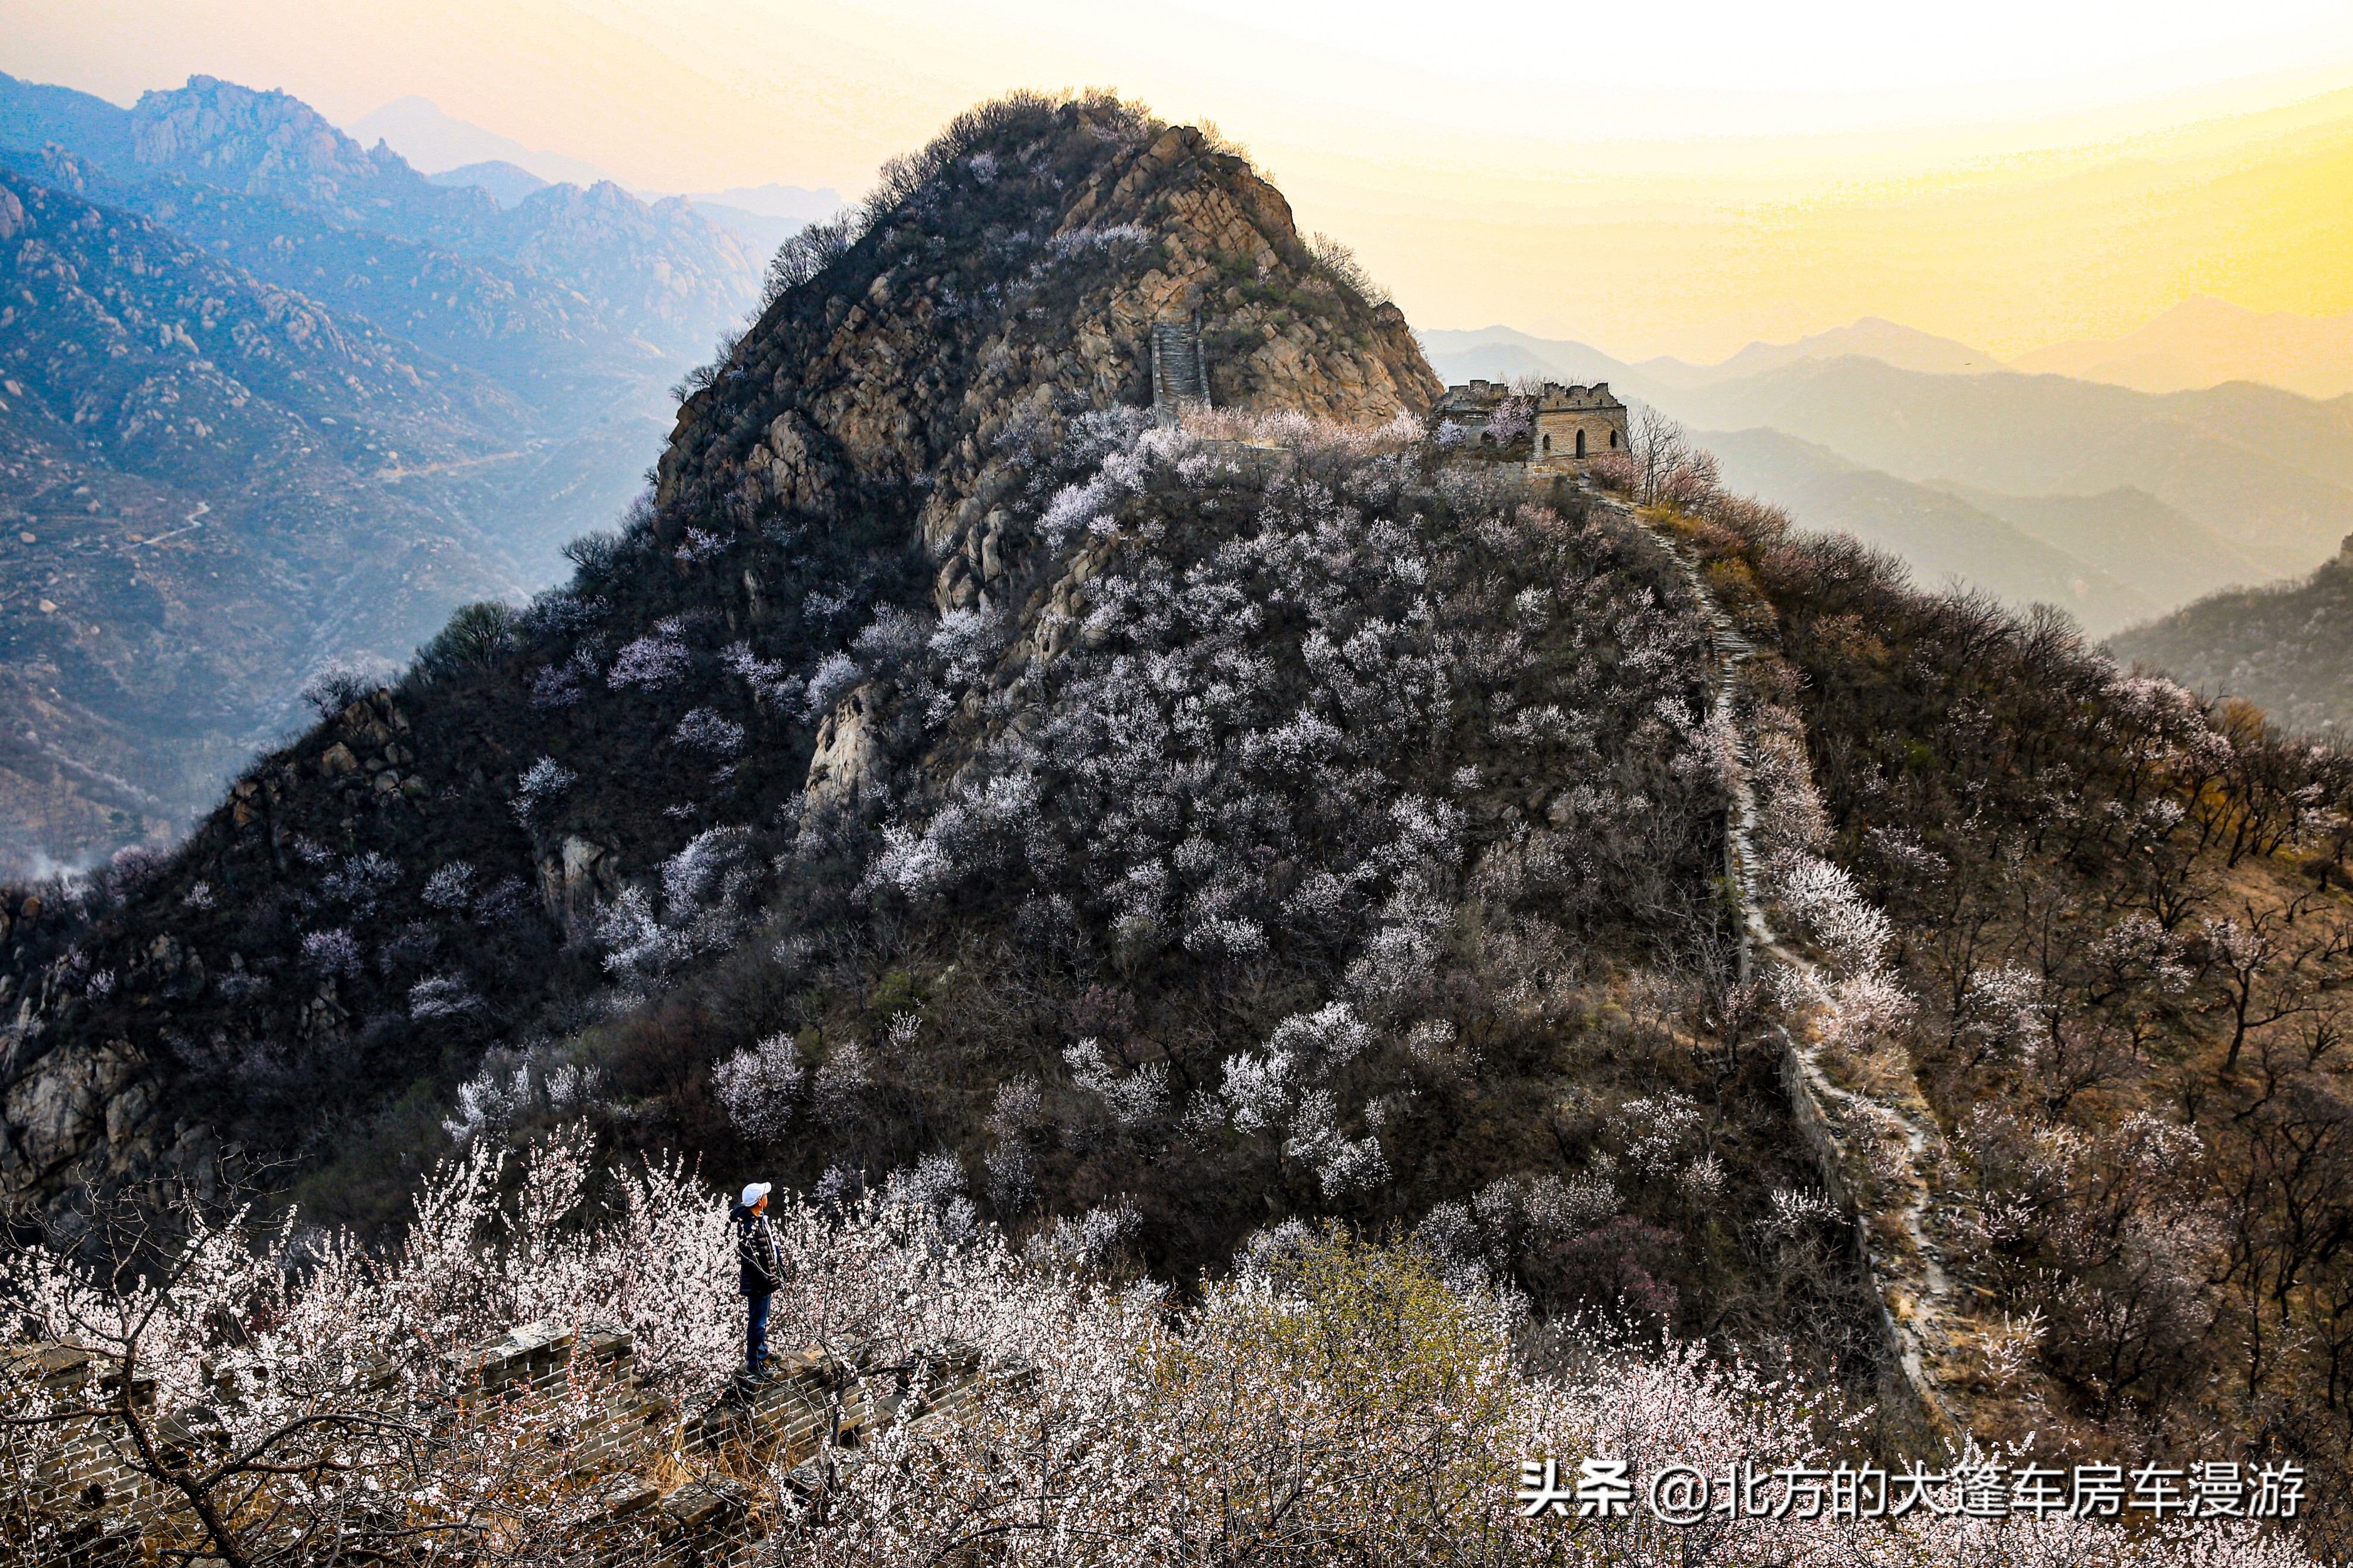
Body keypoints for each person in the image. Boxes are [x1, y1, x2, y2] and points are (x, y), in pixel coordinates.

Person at [731, 1181, 786, 1379]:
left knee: (761, 1321)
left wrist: (779, 1266)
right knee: (757, 1322)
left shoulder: (760, 1219)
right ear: (759, 1201)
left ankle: (762, 1352)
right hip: (758, 1282)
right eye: (765, 1195)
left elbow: (771, 1245)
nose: (767, 1198)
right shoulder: (748, 1226)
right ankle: (754, 1363)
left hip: (766, 1278)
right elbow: (751, 1259)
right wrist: (766, 1276)